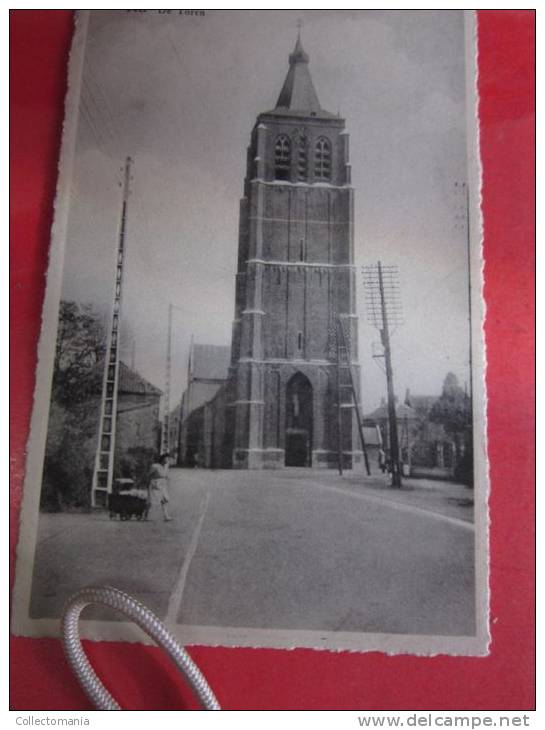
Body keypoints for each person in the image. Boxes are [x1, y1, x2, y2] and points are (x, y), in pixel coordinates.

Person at [147, 453, 172, 522]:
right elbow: (149, 475)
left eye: (168, 459)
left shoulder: (166, 466)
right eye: (166, 458)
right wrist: (149, 483)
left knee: (165, 500)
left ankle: (166, 516)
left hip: (162, 485)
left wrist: (167, 479)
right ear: (162, 459)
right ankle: (145, 515)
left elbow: (166, 475)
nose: (167, 460)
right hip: (155, 484)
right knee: (152, 501)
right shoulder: (155, 466)